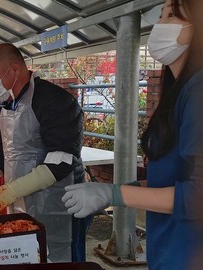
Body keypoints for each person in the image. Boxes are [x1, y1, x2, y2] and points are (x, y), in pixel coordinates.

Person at [62, 0, 203, 268]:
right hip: (167, 251)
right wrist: (123, 190)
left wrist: (113, 195)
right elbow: (174, 183)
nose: (159, 26)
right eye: (159, 16)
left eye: (171, 15)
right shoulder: (178, 92)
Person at [0, 43, 87, 262]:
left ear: (15, 69)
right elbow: (0, 154)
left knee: (62, 260)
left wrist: (12, 190)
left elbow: (62, 162)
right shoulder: (7, 104)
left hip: (61, 204)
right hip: (21, 202)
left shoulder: (55, 101)